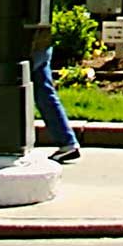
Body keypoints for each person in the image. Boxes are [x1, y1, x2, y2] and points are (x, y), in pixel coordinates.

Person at [31, 31, 82, 164]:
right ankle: (67, 142)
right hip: (41, 42)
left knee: (43, 94)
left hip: (30, 44)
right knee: (43, 93)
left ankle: (67, 142)